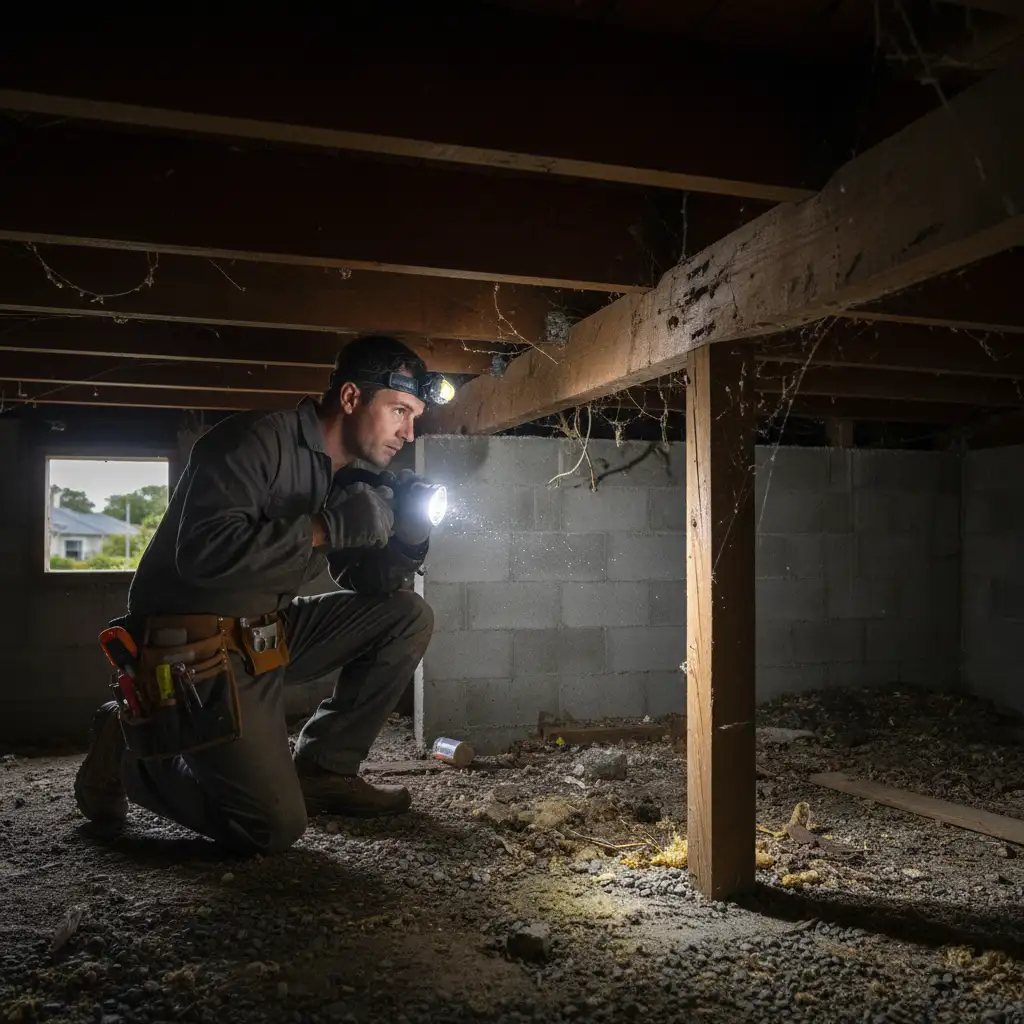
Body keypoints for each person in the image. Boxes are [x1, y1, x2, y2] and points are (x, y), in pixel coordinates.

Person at [73, 335, 441, 854]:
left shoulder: (345, 474)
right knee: (271, 828)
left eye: (416, 416)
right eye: (400, 410)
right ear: (353, 398)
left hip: (265, 630)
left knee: (407, 616)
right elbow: (203, 556)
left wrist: (407, 538)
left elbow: (364, 582)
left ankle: (325, 771)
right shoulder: (250, 442)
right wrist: (325, 526)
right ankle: (134, 757)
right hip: (193, 646)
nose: (408, 431)